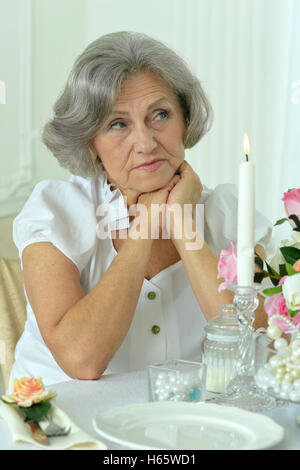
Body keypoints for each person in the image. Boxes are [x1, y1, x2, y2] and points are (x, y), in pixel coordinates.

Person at [8, 31, 273, 391]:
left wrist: (184, 227)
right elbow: (82, 360)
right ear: (91, 142)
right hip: (61, 430)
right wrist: (145, 226)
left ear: (185, 119)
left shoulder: (226, 214)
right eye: (117, 124)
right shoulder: (55, 211)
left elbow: (255, 349)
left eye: (160, 115)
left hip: (184, 428)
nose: (146, 144)